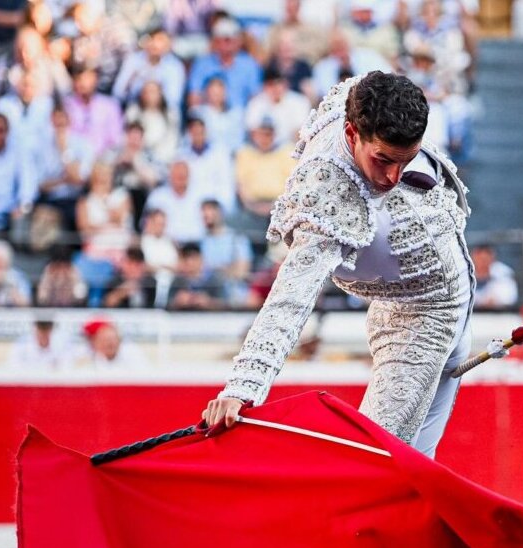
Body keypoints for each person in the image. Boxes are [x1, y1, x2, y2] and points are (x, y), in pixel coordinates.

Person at [203, 71, 475, 459]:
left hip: (431, 311)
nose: (393, 177)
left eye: (406, 161)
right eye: (383, 160)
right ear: (351, 134)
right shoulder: (328, 190)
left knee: (376, 461)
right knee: (395, 465)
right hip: (399, 308)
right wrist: (242, 386)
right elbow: (291, 296)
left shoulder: (365, 96)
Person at [7, 318, 74, 370]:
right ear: (35, 328)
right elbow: (13, 368)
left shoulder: (62, 343)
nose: (44, 332)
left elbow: (68, 367)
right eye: (41, 328)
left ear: (52, 328)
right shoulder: (22, 344)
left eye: (47, 328)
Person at [471, 244, 518, 309]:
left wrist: (495, 301)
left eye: (485, 259)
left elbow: (510, 299)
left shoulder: (504, 273)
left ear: (492, 258)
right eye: (479, 259)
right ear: (473, 258)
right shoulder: (463, 274)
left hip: (498, 315)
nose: (482, 263)